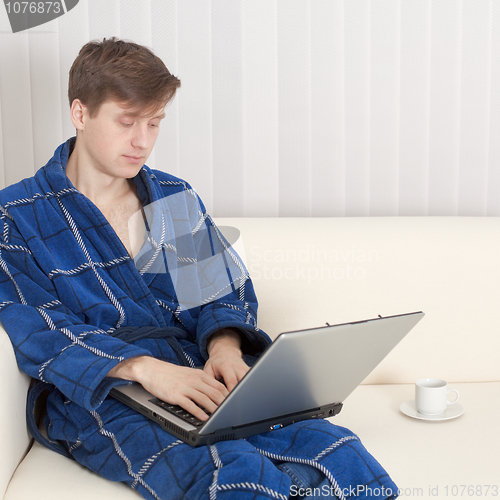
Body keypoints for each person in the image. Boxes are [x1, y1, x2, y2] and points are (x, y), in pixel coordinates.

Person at [0, 37, 398, 500]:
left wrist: (226, 349)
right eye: (127, 121)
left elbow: (218, 293)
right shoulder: (15, 215)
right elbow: (34, 324)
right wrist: (143, 369)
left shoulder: (173, 197)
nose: (142, 141)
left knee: (338, 452)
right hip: (99, 392)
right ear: (81, 113)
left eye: (154, 123)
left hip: (198, 370)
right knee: (226, 473)